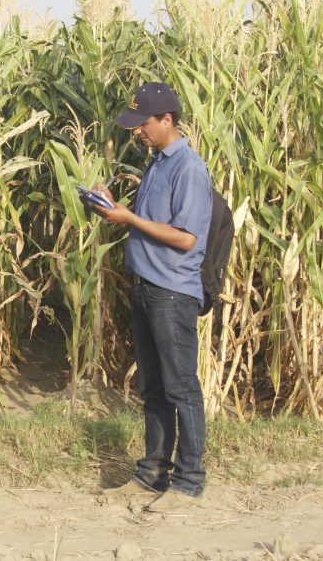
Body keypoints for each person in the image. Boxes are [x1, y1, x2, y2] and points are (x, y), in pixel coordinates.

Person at [92, 82, 212, 513]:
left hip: (172, 292)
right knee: (155, 389)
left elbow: (185, 238)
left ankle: (189, 482)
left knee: (182, 388)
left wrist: (129, 218)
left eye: (142, 124)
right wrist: (114, 208)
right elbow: (149, 223)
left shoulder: (188, 168)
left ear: (167, 120)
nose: (136, 132)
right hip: (145, 288)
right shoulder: (158, 163)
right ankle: (150, 475)